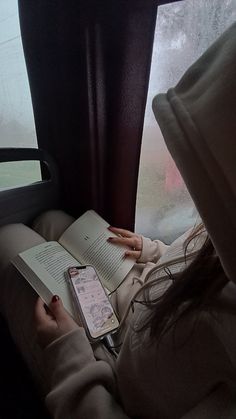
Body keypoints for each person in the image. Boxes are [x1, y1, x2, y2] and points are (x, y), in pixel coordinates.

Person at [0, 22, 235, 419]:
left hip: (104, 370)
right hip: (138, 296)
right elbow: (201, 254)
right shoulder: (224, 215)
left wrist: (66, 355)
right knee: (51, 219)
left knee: (7, 237)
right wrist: (153, 249)